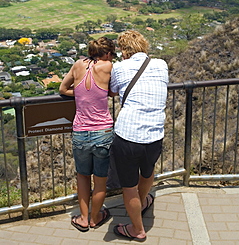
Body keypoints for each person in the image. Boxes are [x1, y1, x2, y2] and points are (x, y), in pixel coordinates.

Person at [109, 30, 169, 242]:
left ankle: (137, 229)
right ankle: (143, 202)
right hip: (155, 133)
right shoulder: (161, 64)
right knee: (147, 172)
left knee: (128, 186)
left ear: (123, 50)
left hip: (128, 135)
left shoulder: (119, 67)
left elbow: (114, 90)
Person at [59, 37, 116, 232]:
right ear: (107, 53)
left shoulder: (77, 65)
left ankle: (83, 218)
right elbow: (114, 92)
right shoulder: (109, 66)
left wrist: (81, 94)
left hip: (81, 131)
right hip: (103, 131)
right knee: (100, 181)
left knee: (82, 176)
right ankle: (95, 217)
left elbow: (62, 88)